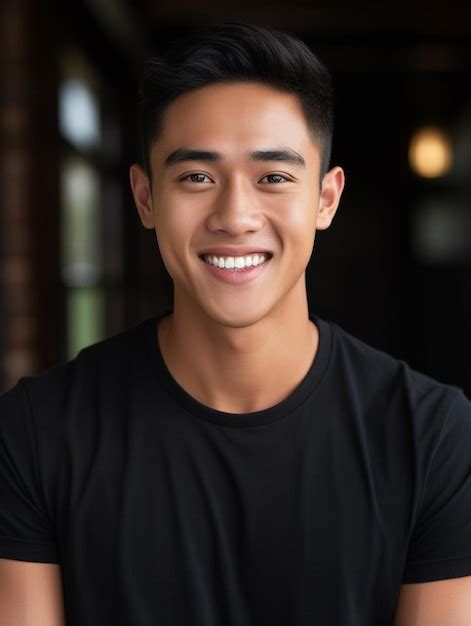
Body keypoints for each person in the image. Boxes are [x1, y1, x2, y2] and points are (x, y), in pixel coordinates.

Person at [0, 21, 470, 626]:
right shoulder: (36, 434)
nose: (235, 215)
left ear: (326, 198)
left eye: (273, 177)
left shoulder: (434, 438)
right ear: (145, 198)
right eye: (197, 177)